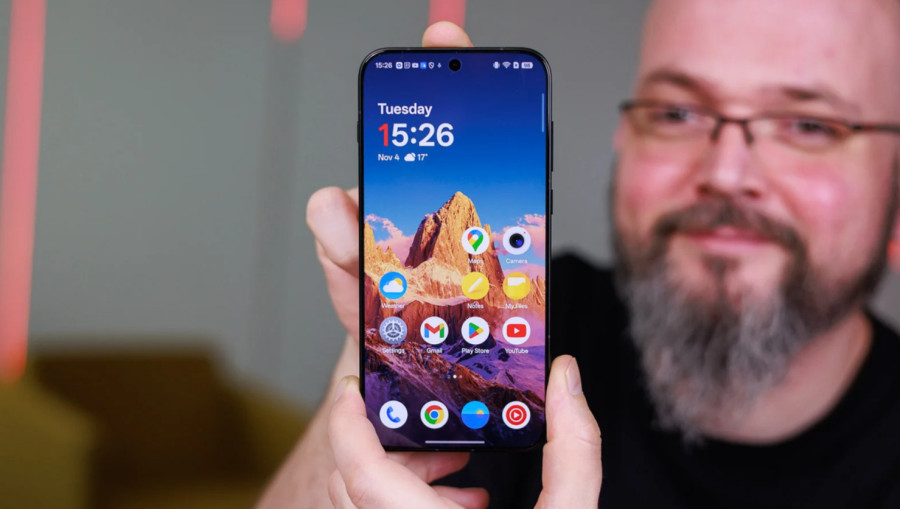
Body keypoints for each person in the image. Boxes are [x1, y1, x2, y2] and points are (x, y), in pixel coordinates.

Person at [258, 0, 900, 507]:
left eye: (809, 125)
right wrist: (374, 345)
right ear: (626, 138)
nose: (726, 173)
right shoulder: (537, 328)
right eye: (676, 112)